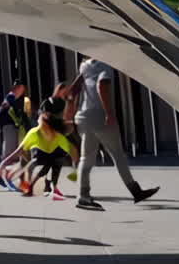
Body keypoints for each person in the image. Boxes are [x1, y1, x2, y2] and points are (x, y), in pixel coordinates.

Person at [68, 58, 159, 210]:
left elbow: (73, 90)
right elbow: (102, 85)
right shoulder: (106, 63)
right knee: (118, 154)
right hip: (100, 116)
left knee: (86, 158)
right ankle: (135, 191)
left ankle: (83, 196)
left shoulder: (84, 65)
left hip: (83, 117)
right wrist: (109, 113)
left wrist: (71, 111)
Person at [2, 97, 76, 200]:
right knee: (44, 164)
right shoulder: (38, 131)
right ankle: (45, 186)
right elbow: (20, 151)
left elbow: (70, 147)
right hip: (44, 153)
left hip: (49, 154)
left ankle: (49, 187)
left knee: (52, 164)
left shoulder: (50, 131)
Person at [0, 80, 31, 188]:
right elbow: (10, 112)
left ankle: (2, 177)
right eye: (21, 88)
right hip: (10, 127)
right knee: (10, 155)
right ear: (18, 87)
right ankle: (1, 177)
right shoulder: (11, 97)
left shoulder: (15, 98)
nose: (23, 90)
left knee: (15, 155)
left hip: (12, 128)